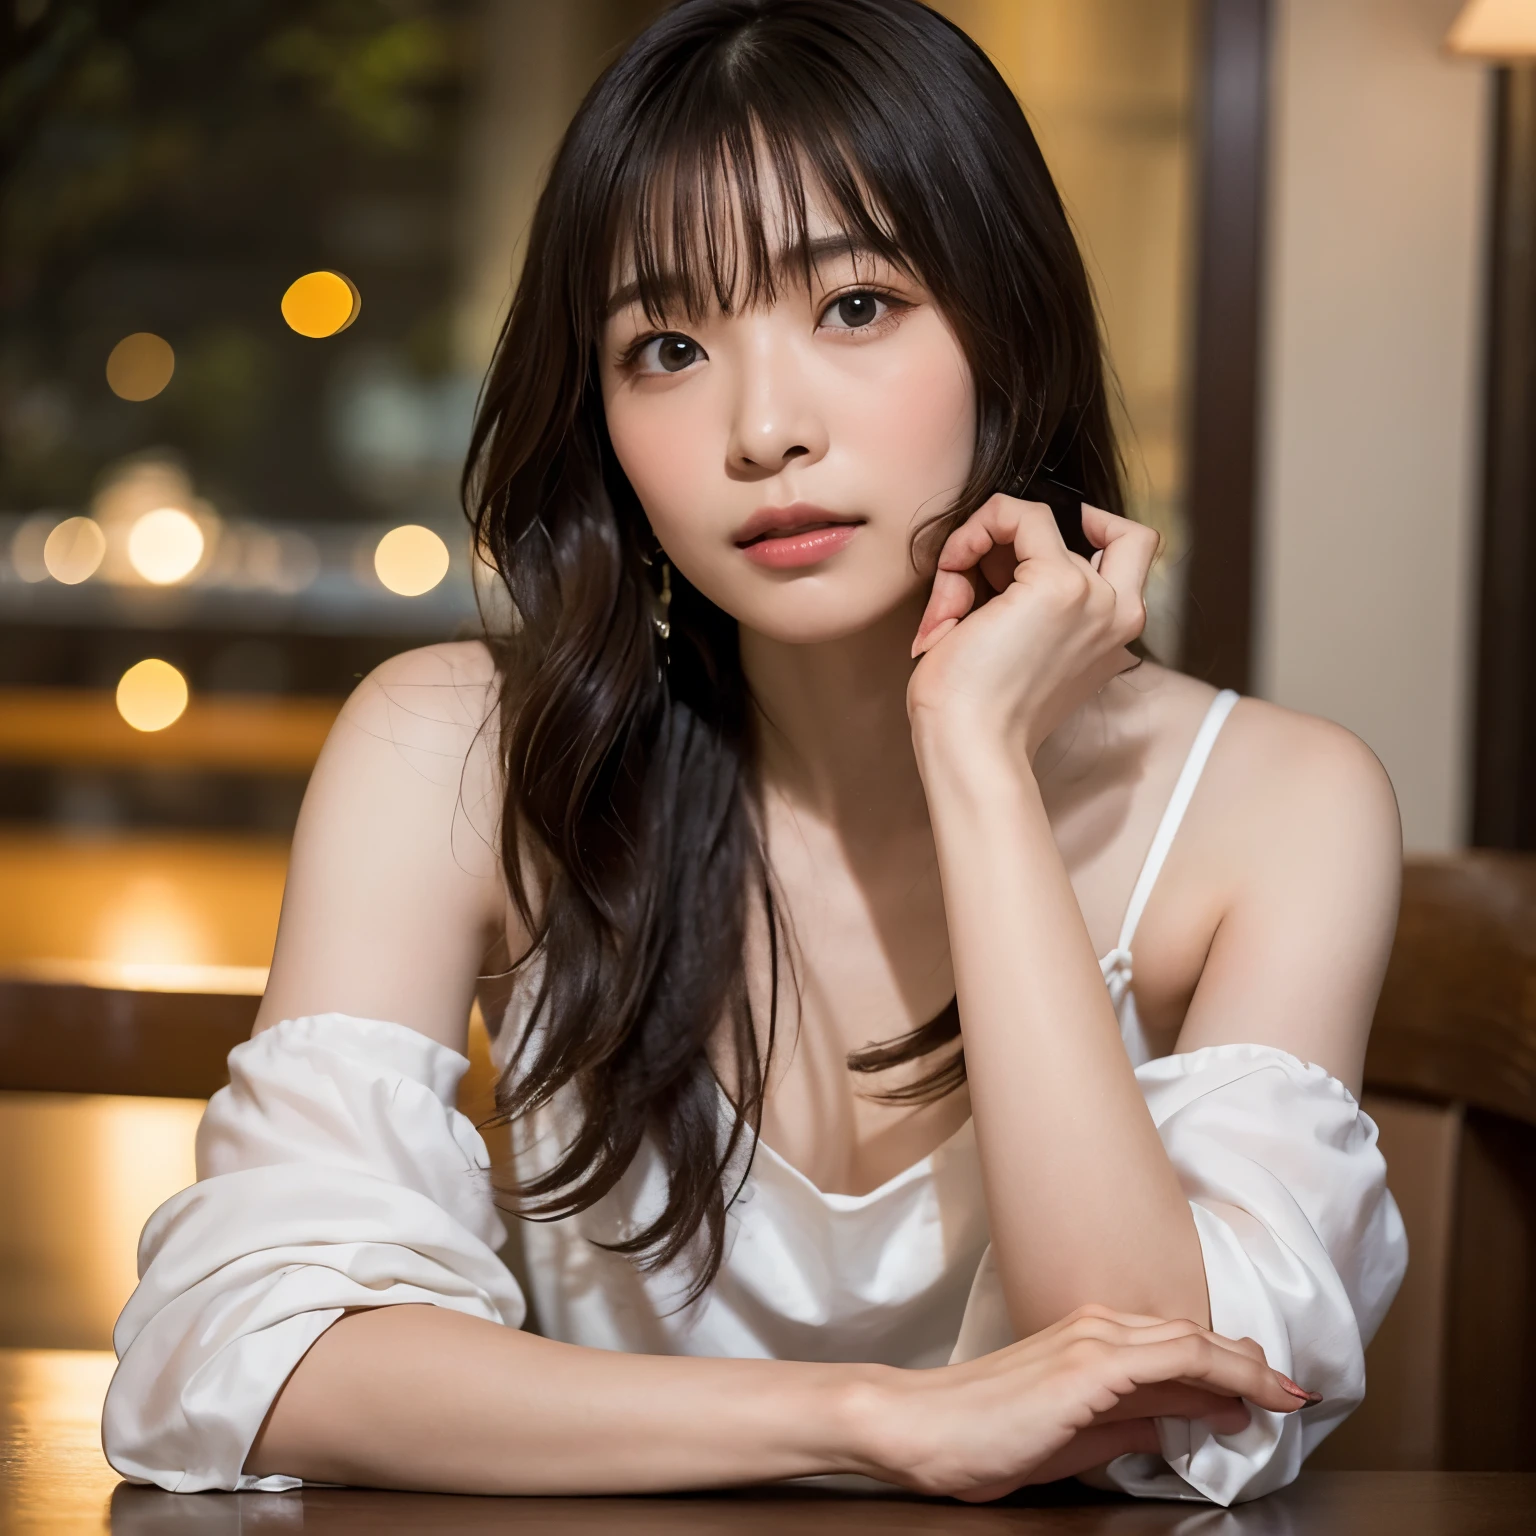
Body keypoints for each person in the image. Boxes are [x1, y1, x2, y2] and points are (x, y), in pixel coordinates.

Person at [101, 0, 1406, 1506]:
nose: (763, 427)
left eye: (854, 306)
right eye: (666, 344)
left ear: (1009, 323)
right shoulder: (452, 751)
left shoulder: (1282, 808)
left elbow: (1177, 1399)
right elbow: (241, 1357)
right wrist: (880, 1422)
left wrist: (975, 759)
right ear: (597, 413)